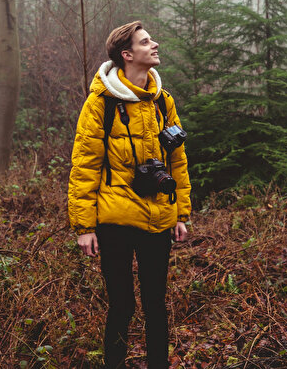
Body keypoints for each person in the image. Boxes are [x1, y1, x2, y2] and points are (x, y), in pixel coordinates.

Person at [68, 21, 192, 369]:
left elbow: (177, 160)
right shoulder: (101, 104)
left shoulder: (163, 102)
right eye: (145, 42)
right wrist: (84, 226)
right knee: (121, 305)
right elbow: (84, 167)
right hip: (115, 221)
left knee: (156, 303)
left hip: (157, 220)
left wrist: (180, 213)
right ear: (127, 54)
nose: (155, 45)